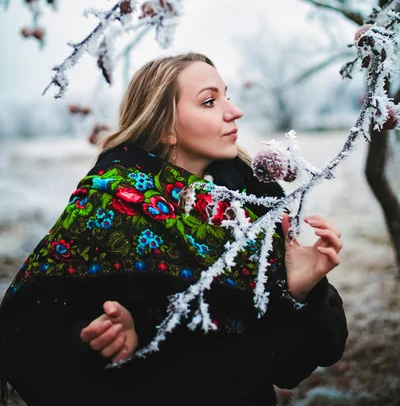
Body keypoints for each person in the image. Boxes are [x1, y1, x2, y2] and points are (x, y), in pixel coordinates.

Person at [0, 52, 348, 406]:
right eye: (210, 101)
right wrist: (93, 341)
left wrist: (299, 293)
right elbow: (25, 330)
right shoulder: (109, 204)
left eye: (227, 95)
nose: (234, 111)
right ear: (166, 126)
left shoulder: (252, 202)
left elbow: (296, 364)